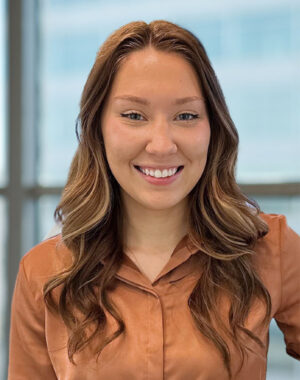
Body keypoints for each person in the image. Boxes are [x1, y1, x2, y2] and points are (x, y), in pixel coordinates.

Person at [8, 19, 300, 380]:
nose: (161, 144)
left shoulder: (272, 248)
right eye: (134, 115)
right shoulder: (44, 272)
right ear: (98, 127)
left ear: (214, 127)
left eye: (186, 115)